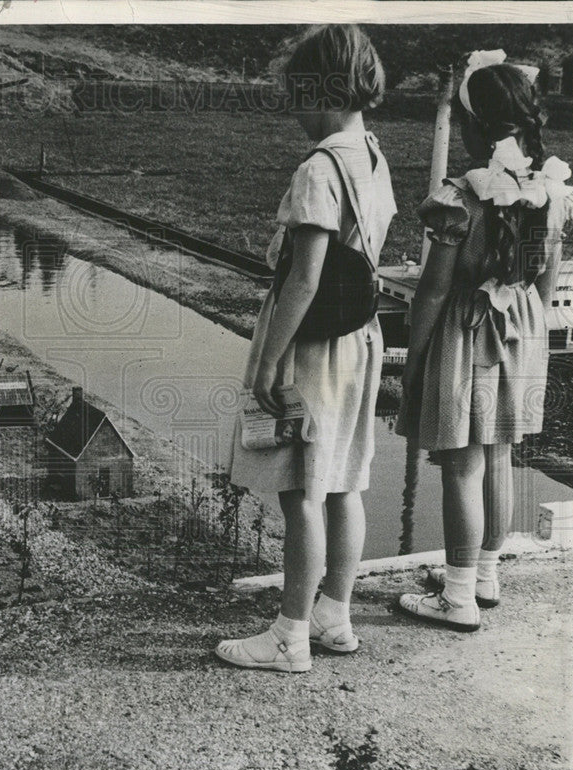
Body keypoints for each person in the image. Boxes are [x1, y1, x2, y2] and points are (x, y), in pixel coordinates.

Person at [216, 24, 395, 672]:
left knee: (300, 492)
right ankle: (334, 613)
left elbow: (305, 276)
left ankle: (290, 635)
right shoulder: (371, 156)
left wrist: (266, 361)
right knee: (345, 482)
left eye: (297, 95)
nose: (293, 110)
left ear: (322, 89)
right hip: (359, 342)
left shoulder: (320, 169)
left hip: (315, 346)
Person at [395, 51, 573, 630]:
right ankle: (484, 574)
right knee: (500, 453)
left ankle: (455, 597)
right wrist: (529, 332)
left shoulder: (462, 197)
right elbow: (547, 278)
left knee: (461, 466)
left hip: (466, 330)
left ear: (474, 126)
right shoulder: (551, 189)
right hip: (522, 328)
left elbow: (432, 290)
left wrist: (416, 353)